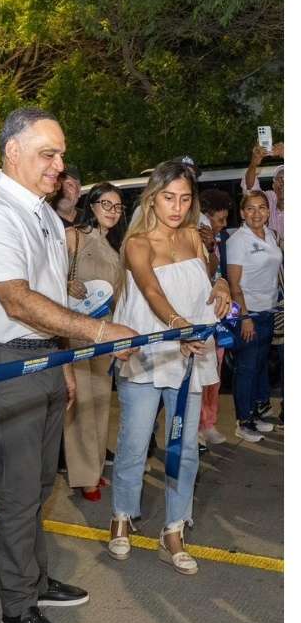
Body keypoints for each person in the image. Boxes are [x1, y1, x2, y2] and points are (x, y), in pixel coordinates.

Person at [0, 107, 137, 623]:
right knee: (16, 490)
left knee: (38, 485)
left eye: (61, 155)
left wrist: (64, 361)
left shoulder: (41, 214)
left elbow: (51, 296)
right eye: (48, 154)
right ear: (12, 152)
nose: (60, 166)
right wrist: (95, 332)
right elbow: (15, 299)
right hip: (4, 360)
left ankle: (34, 578)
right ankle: (17, 605)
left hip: (45, 360)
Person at [108, 162, 231, 575]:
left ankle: (174, 530)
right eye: (168, 197)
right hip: (149, 355)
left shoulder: (196, 239)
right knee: (135, 444)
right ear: (152, 197)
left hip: (188, 358)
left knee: (184, 448)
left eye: (184, 198)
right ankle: (123, 516)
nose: (177, 207)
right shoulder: (138, 243)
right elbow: (152, 291)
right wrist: (180, 326)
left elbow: (208, 278)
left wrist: (221, 286)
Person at [63, 184, 127, 501]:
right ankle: (84, 476)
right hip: (74, 329)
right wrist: (66, 282)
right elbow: (46, 276)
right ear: (92, 205)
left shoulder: (116, 245)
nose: (113, 211)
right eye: (106, 204)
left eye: (118, 206)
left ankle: (96, 469)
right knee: (81, 403)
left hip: (105, 330)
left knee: (101, 402)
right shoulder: (73, 236)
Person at [226, 189, 284, 442]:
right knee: (246, 368)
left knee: (260, 366)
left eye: (262, 207)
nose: (257, 213)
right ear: (242, 213)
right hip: (249, 314)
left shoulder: (271, 235)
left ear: (268, 211)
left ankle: (255, 415)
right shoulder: (238, 240)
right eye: (250, 208)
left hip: (269, 310)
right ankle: (243, 421)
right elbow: (234, 284)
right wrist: (245, 317)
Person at [197, 188, 233, 446]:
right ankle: (195, 426)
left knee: (215, 375)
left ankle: (209, 424)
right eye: (219, 219)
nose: (223, 225)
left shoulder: (218, 243)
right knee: (199, 376)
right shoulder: (192, 240)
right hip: (198, 320)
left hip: (218, 320)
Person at [242, 140, 284, 245]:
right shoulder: (268, 198)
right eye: (279, 179)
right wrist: (254, 163)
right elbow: (250, 188)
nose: (283, 182)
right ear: (273, 186)